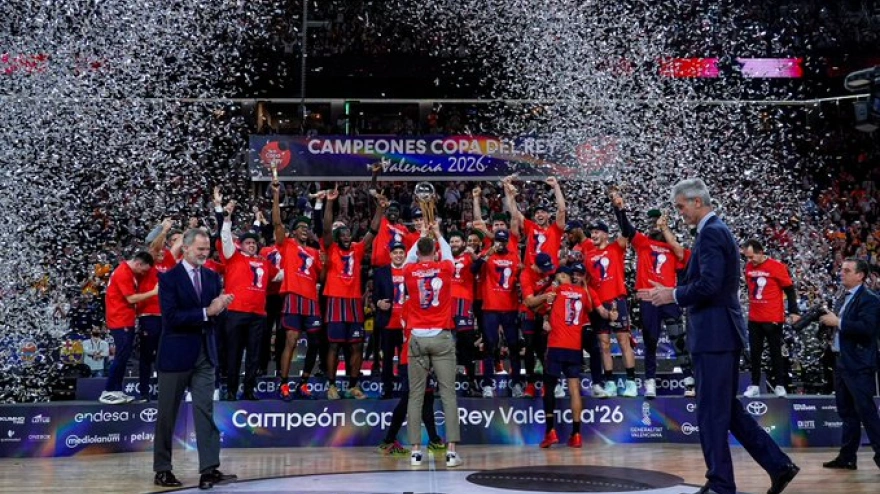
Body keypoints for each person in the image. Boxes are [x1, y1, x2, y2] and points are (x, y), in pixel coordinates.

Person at [641, 178, 799, 494]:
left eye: (681, 206)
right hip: (718, 334)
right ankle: (778, 465)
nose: (680, 213)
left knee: (712, 413)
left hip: (715, 336)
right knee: (726, 409)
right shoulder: (714, 231)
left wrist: (672, 294)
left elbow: (710, 285)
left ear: (697, 201)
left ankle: (721, 483)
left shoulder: (712, 232)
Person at [153, 228, 237, 490]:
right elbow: (171, 318)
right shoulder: (169, 278)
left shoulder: (212, 277)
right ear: (186, 248)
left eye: (207, 249)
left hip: (205, 354)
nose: (204, 253)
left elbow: (215, 317)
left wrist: (222, 307)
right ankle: (162, 469)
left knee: (205, 412)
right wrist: (206, 312)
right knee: (167, 415)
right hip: (175, 355)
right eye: (200, 249)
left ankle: (209, 469)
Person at [613, 198, 694, 399]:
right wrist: (619, 209)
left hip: (669, 299)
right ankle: (650, 382)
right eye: (652, 223)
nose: (654, 226)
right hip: (649, 299)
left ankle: (689, 380)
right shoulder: (643, 243)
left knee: (678, 340)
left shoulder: (674, 249)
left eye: (657, 223)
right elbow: (626, 229)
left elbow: (683, 259)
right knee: (650, 341)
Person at [403, 229, 462, 468]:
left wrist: (421, 235)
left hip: (417, 337)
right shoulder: (445, 268)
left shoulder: (409, 270)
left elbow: (408, 258)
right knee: (448, 394)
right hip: (441, 336)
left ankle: (416, 452)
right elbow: (448, 254)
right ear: (435, 252)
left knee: (415, 395)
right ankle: (451, 453)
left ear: (418, 252)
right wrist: (438, 234)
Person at [322, 186, 384, 399]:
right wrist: (330, 202)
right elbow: (326, 228)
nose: (347, 237)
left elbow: (373, 231)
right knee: (334, 345)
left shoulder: (357, 249)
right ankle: (331, 385)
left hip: (354, 303)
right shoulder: (331, 248)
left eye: (349, 234)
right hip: (336, 301)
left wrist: (380, 209)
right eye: (344, 235)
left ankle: (353, 385)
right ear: (338, 237)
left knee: (357, 345)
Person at [819, 258, 880, 471]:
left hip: (858, 363)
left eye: (847, 270)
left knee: (866, 411)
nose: (841, 273)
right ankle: (847, 457)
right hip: (841, 361)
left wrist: (838, 322)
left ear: (860, 275)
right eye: (842, 269)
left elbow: (868, 328)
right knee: (846, 412)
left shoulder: (870, 299)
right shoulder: (842, 297)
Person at [539, 265, 608, 449]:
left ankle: (550, 432)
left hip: (556, 344)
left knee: (549, 387)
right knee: (574, 389)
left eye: (557, 276)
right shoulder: (582, 293)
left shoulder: (555, 290)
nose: (555, 278)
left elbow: (541, 307)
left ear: (563, 276)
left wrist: (546, 317)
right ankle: (576, 434)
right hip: (574, 346)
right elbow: (589, 308)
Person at [221, 200, 278, 401]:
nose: (252, 245)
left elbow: (280, 276)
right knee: (234, 353)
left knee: (254, 355)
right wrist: (226, 218)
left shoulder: (264, 262)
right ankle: (230, 390)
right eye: (248, 243)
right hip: (236, 312)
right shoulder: (233, 257)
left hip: (258, 314)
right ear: (241, 245)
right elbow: (226, 239)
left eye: (254, 243)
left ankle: (249, 390)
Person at [272, 184, 325, 400]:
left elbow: (321, 277)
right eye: (301, 227)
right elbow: (277, 223)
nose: (305, 229)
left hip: (311, 299)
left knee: (315, 343)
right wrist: (276, 196)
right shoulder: (287, 245)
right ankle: (284, 383)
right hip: (293, 296)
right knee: (291, 341)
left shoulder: (315, 251)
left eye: (307, 227)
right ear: (293, 231)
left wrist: (324, 263)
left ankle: (304, 383)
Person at [582, 215, 638, 397]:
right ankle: (610, 382)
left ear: (606, 234)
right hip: (599, 305)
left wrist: (619, 209)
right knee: (604, 345)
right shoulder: (588, 256)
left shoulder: (616, 248)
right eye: (591, 232)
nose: (593, 235)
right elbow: (587, 283)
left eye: (597, 232)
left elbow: (627, 231)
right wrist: (598, 306)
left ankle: (631, 382)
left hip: (617, 300)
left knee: (623, 341)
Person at [741, 239, 801, 398]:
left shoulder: (777, 267)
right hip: (755, 317)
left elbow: (789, 290)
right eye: (747, 257)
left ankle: (780, 385)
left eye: (752, 256)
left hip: (773, 317)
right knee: (755, 353)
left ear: (761, 252)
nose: (750, 260)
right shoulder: (748, 267)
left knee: (776, 352)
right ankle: (755, 385)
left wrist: (793, 311)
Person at [99, 251, 156, 405]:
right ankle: (108, 390)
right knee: (121, 355)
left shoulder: (128, 270)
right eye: (143, 270)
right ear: (138, 264)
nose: (143, 274)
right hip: (120, 319)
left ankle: (117, 390)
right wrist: (153, 292)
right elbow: (131, 298)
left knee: (124, 356)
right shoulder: (123, 273)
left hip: (124, 319)